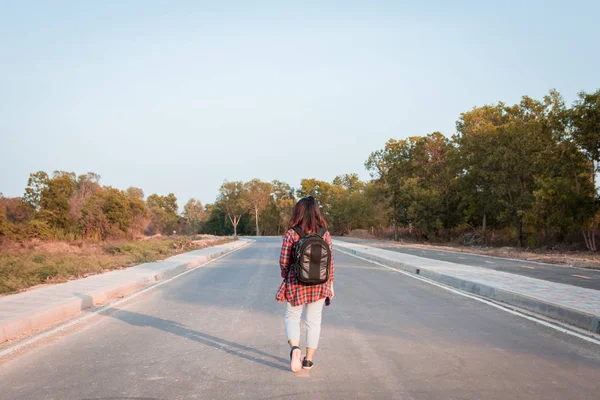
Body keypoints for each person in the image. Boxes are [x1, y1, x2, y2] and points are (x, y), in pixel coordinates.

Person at [275, 196, 335, 372]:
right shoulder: (325, 233)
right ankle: (308, 361)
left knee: (292, 317)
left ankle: (295, 349)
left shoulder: (292, 233)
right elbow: (330, 263)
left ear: (298, 212)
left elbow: (284, 261)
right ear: (316, 212)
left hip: (296, 283)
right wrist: (330, 283)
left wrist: (287, 277)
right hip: (320, 284)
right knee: (314, 321)